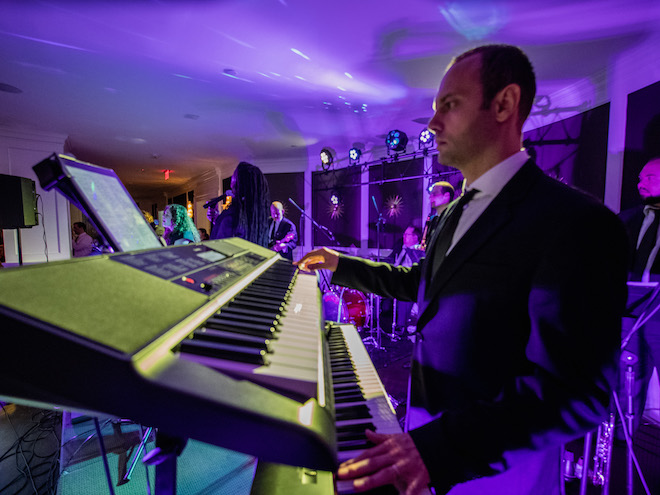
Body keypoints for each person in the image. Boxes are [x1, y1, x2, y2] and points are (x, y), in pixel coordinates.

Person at [296, 44, 628, 495]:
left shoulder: (576, 221)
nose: (432, 125)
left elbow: (576, 392)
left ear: (504, 104)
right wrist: (342, 264)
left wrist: (441, 447)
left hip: (501, 461)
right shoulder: (451, 214)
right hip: (427, 427)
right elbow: (422, 285)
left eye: (449, 105)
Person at [618, 156, 660, 435]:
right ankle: (623, 438)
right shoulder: (629, 218)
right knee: (629, 377)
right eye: (640, 177)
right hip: (631, 308)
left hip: (658, 309)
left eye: (649, 177)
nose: (640, 182)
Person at [211, 162, 270, 247]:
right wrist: (217, 219)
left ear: (238, 185)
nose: (231, 184)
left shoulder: (231, 216)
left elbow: (220, 247)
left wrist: (221, 220)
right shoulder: (258, 216)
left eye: (234, 179)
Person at [420, 182, 455, 250]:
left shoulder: (453, 219)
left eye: (434, 194)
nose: (430, 197)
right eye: (430, 194)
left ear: (446, 196)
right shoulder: (432, 221)